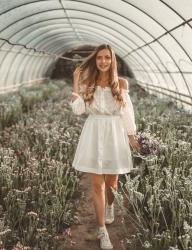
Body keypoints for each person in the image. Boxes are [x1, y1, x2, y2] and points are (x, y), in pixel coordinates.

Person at [69, 44, 140, 250]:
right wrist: (75, 82)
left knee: (112, 183)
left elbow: (127, 113)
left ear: (112, 60)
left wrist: (132, 137)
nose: (103, 61)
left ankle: (110, 205)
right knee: (97, 186)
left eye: (107, 58)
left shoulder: (121, 83)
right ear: (95, 60)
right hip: (93, 133)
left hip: (115, 133)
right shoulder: (87, 82)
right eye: (99, 58)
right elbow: (78, 110)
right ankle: (102, 231)